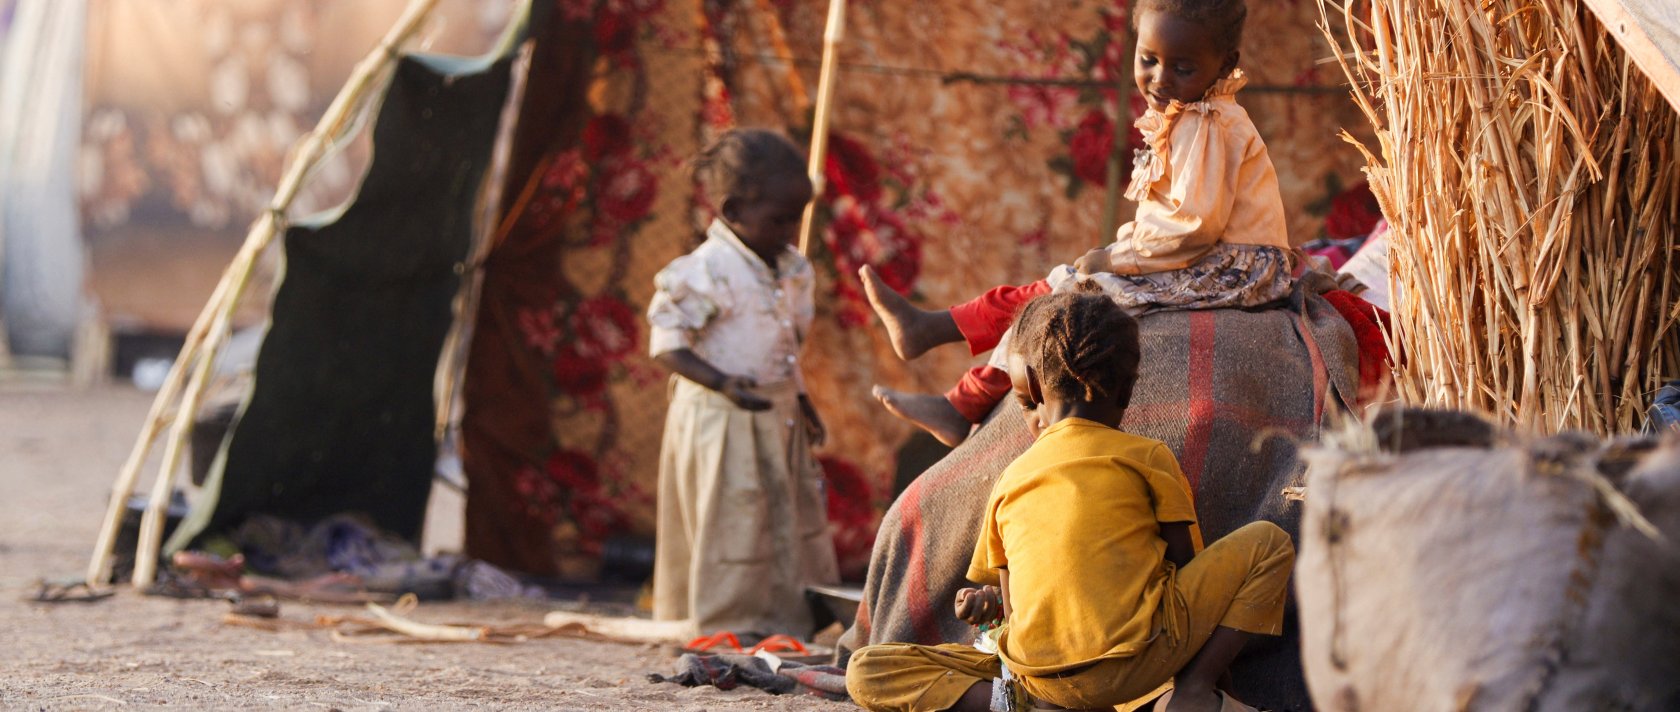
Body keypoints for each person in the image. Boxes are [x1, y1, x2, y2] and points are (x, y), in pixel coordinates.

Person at [862, 0, 1293, 446]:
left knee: (1075, 293)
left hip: (1233, 267)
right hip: (1204, 254)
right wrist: (1121, 250)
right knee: (1062, 279)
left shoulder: (1211, 124)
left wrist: (1119, 258)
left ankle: (961, 393)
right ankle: (938, 336)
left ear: (1225, 63)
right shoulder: (1187, 117)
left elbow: (1194, 225)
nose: (1160, 78)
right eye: (1148, 59)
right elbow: (1171, 218)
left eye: (1182, 68)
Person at [845, 291, 1295, 712]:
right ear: (1128, 391)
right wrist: (1208, 681)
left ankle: (1013, 704)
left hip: (1041, 680)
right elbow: (1186, 571)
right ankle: (1192, 692)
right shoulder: (1150, 458)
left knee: (867, 668)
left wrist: (989, 608)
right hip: (1139, 664)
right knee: (1269, 542)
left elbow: (1016, 612)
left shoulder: (1009, 480)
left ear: (1034, 388)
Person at [645, 128, 838, 640]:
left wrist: (803, 401)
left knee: (780, 516)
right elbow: (667, 342)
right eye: (780, 219)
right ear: (733, 211)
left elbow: (785, 344)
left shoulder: (793, 270)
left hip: (775, 412)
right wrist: (723, 383)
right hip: (720, 417)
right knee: (732, 517)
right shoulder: (706, 271)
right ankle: (727, 620)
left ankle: (782, 617)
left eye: (797, 217)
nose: (792, 231)